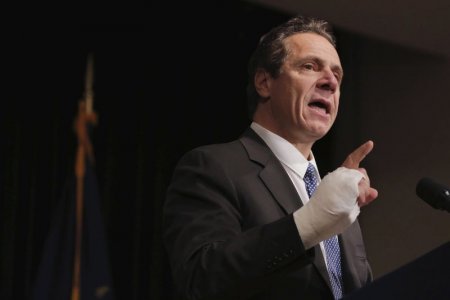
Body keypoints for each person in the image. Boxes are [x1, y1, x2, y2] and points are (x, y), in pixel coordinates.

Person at [162, 15, 378, 300]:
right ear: (264, 82)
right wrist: (308, 224)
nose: (330, 82)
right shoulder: (213, 167)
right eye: (310, 66)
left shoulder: (336, 198)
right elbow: (201, 278)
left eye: (337, 75)